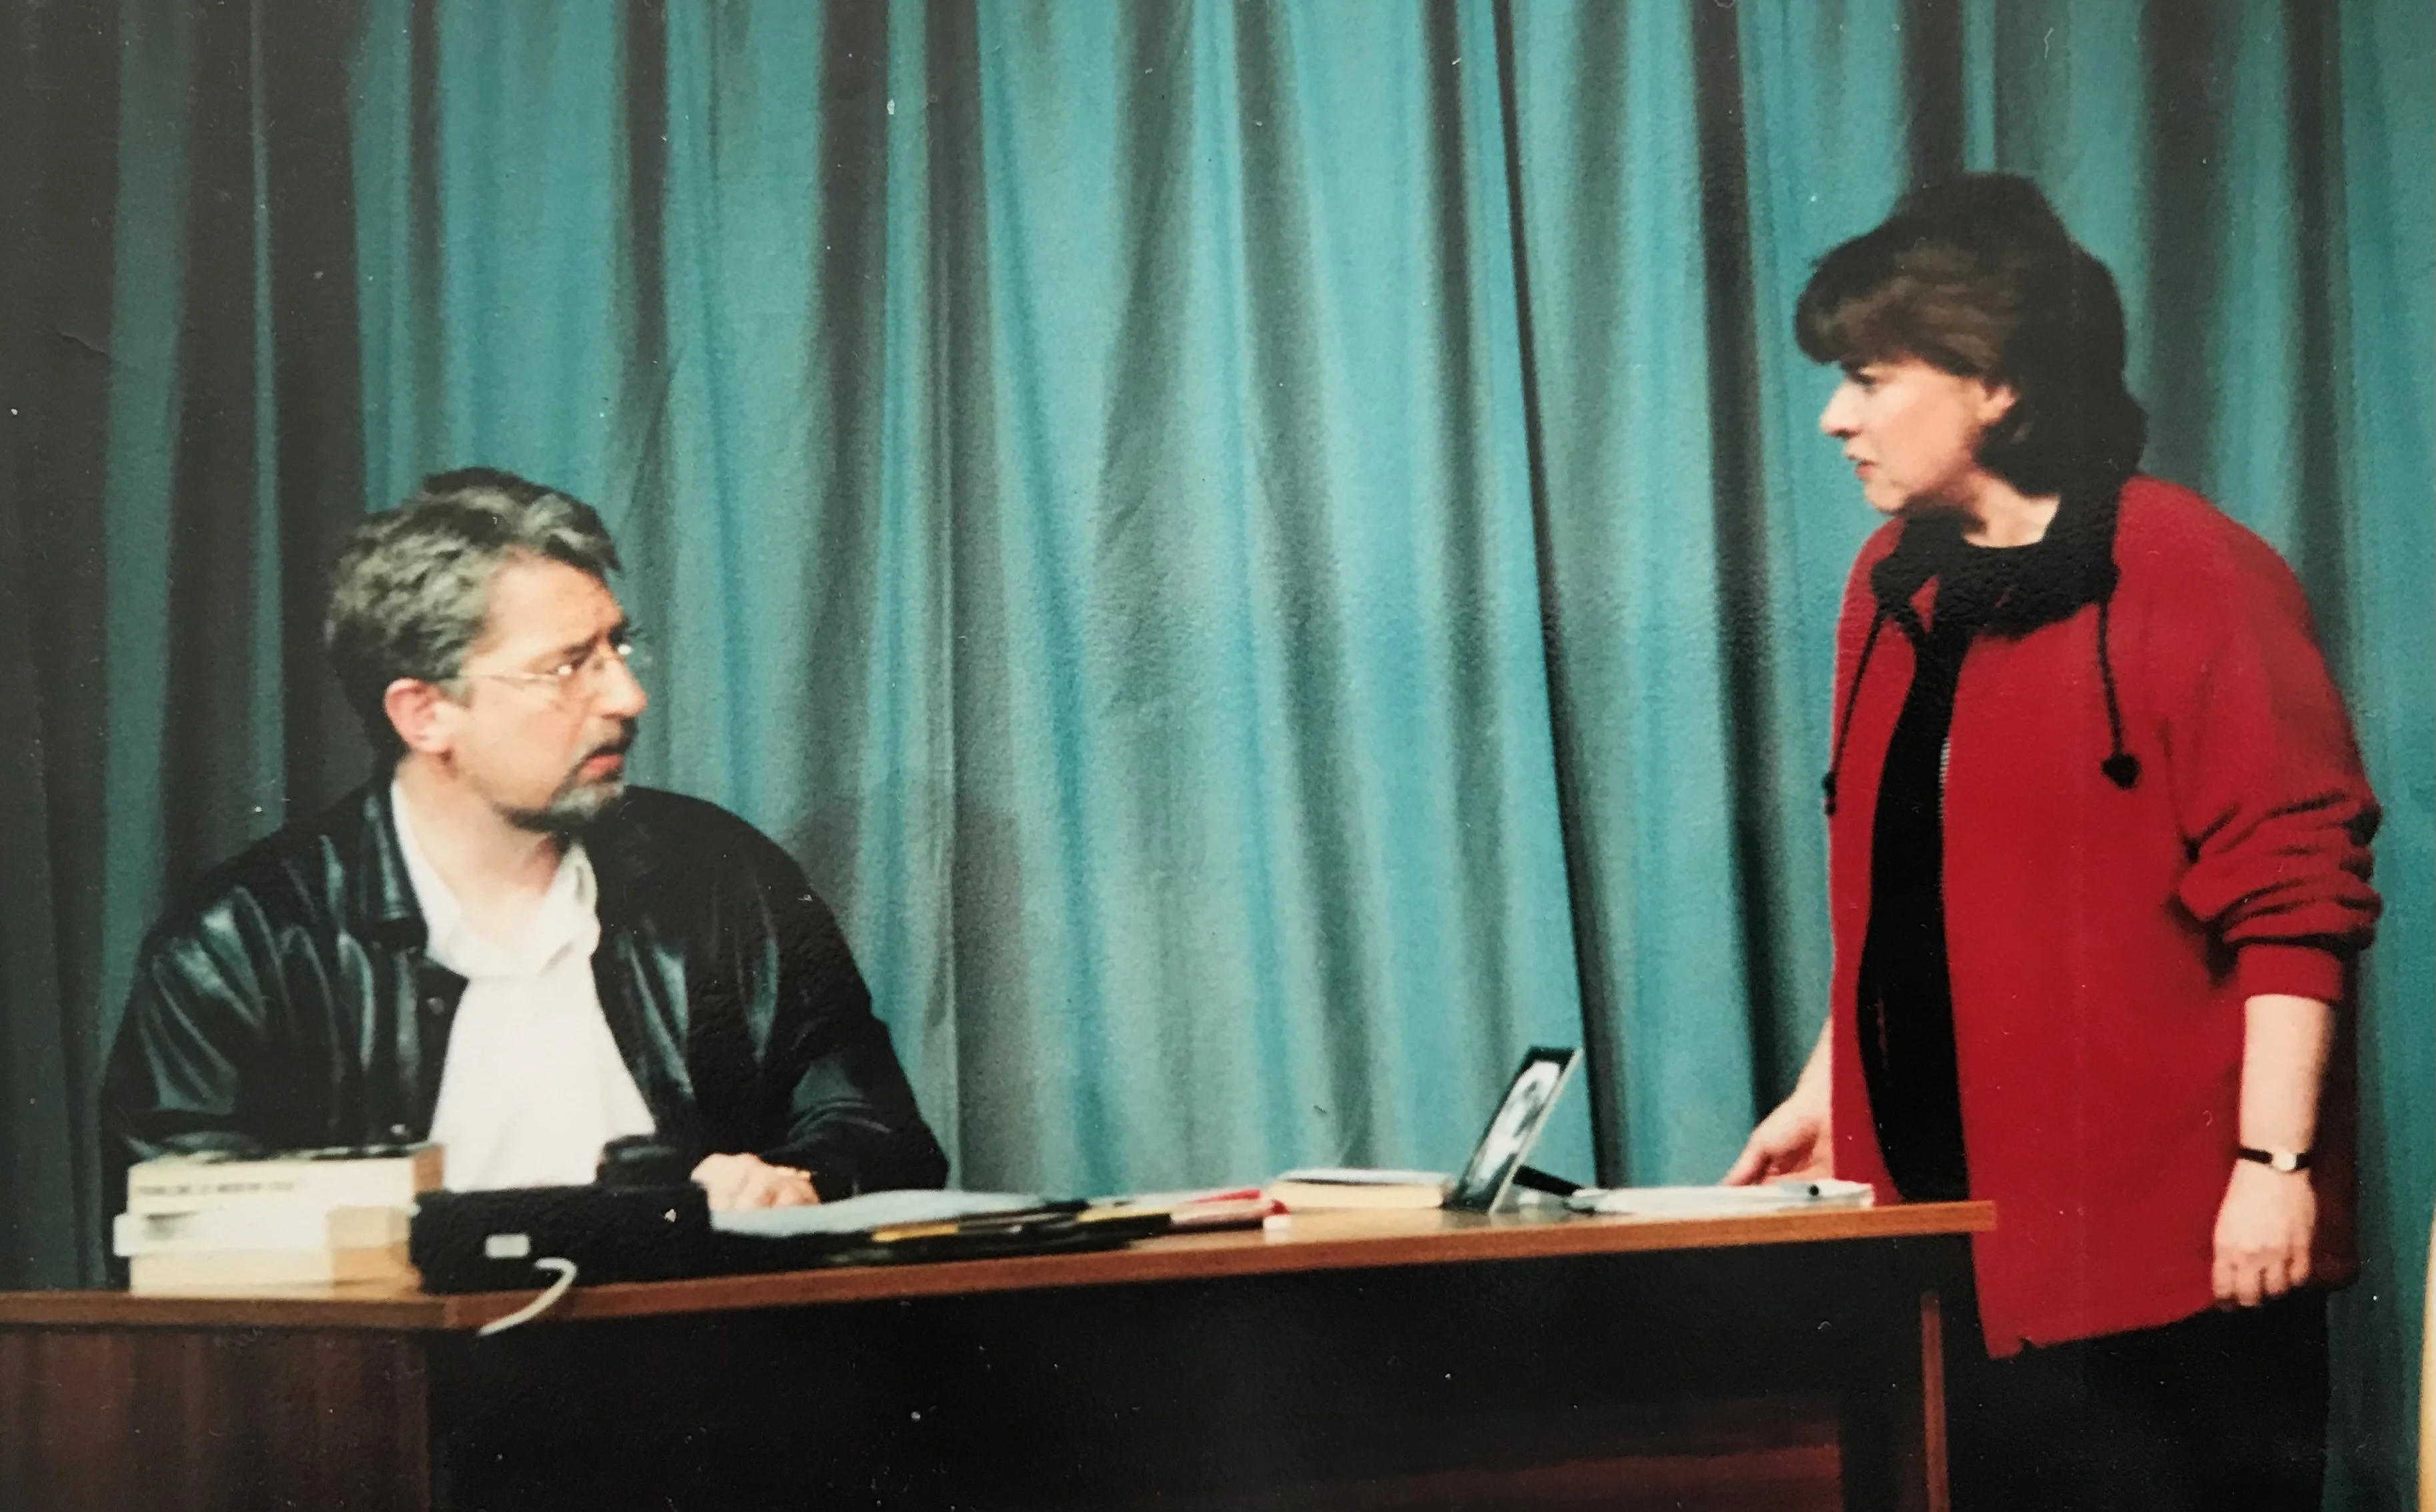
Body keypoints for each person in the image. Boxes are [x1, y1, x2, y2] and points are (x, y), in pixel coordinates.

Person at [1722, 176, 2379, 1509]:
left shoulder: (2195, 570)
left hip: (2172, 1261)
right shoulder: (1887, 584)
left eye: (1867, 378)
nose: (1833, 416)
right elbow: (1897, 878)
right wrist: (1828, 1085)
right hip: (1944, 1240)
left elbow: (2295, 898)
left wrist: (2273, 1169)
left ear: (1998, 384)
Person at [101, 468, 948, 1214]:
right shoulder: (242, 944)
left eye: (618, 646)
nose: (627, 695)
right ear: (425, 713)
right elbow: (181, 1241)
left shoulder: (723, 879)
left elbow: (881, 1134)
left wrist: (797, 1182)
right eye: (568, 666)